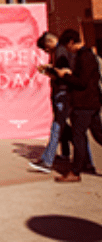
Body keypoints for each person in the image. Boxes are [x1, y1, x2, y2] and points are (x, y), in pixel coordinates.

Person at [54, 32, 102, 183]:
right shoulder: (87, 55)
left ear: (71, 41)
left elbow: (82, 82)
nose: (67, 50)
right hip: (92, 102)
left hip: (84, 104)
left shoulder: (85, 57)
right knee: (99, 135)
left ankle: (75, 171)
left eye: (67, 46)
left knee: (78, 136)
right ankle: (86, 166)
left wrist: (65, 76)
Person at [29, 31, 76, 174]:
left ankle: (48, 161)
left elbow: (63, 73)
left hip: (63, 93)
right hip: (61, 92)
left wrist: (49, 70)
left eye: (46, 48)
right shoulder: (59, 51)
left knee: (57, 126)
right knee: (66, 128)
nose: (46, 51)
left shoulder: (61, 51)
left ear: (50, 42)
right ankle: (70, 155)